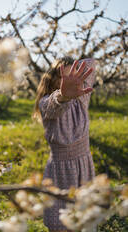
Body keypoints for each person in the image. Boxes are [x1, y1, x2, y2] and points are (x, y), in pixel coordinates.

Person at [33, 56, 96, 232]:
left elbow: (92, 62)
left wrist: (71, 65)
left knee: (85, 220)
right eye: (63, 78)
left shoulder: (82, 98)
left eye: (74, 78)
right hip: (61, 173)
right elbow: (55, 105)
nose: (70, 83)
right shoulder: (47, 103)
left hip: (83, 166)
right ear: (52, 79)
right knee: (60, 224)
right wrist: (63, 95)